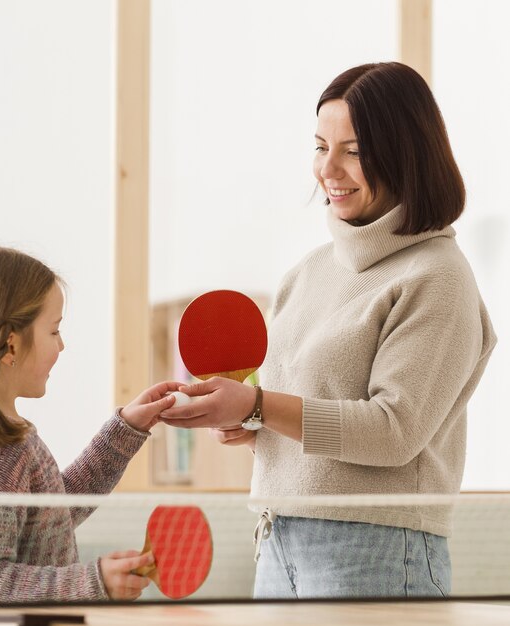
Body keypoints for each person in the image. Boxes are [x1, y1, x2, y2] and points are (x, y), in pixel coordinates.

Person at [160, 62, 497, 599]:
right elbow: (304, 416)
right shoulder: (308, 272)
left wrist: (258, 404)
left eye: (355, 151)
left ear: (406, 154)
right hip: (278, 540)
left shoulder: (437, 276)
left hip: (381, 551)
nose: (328, 169)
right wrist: (251, 426)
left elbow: (393, 432)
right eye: (320, 146)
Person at [0, 242, 181, 604]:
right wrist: (91, 582)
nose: (61, 345)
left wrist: (125, 429)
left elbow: (48, 513)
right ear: (11, 347)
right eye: (53, 330)